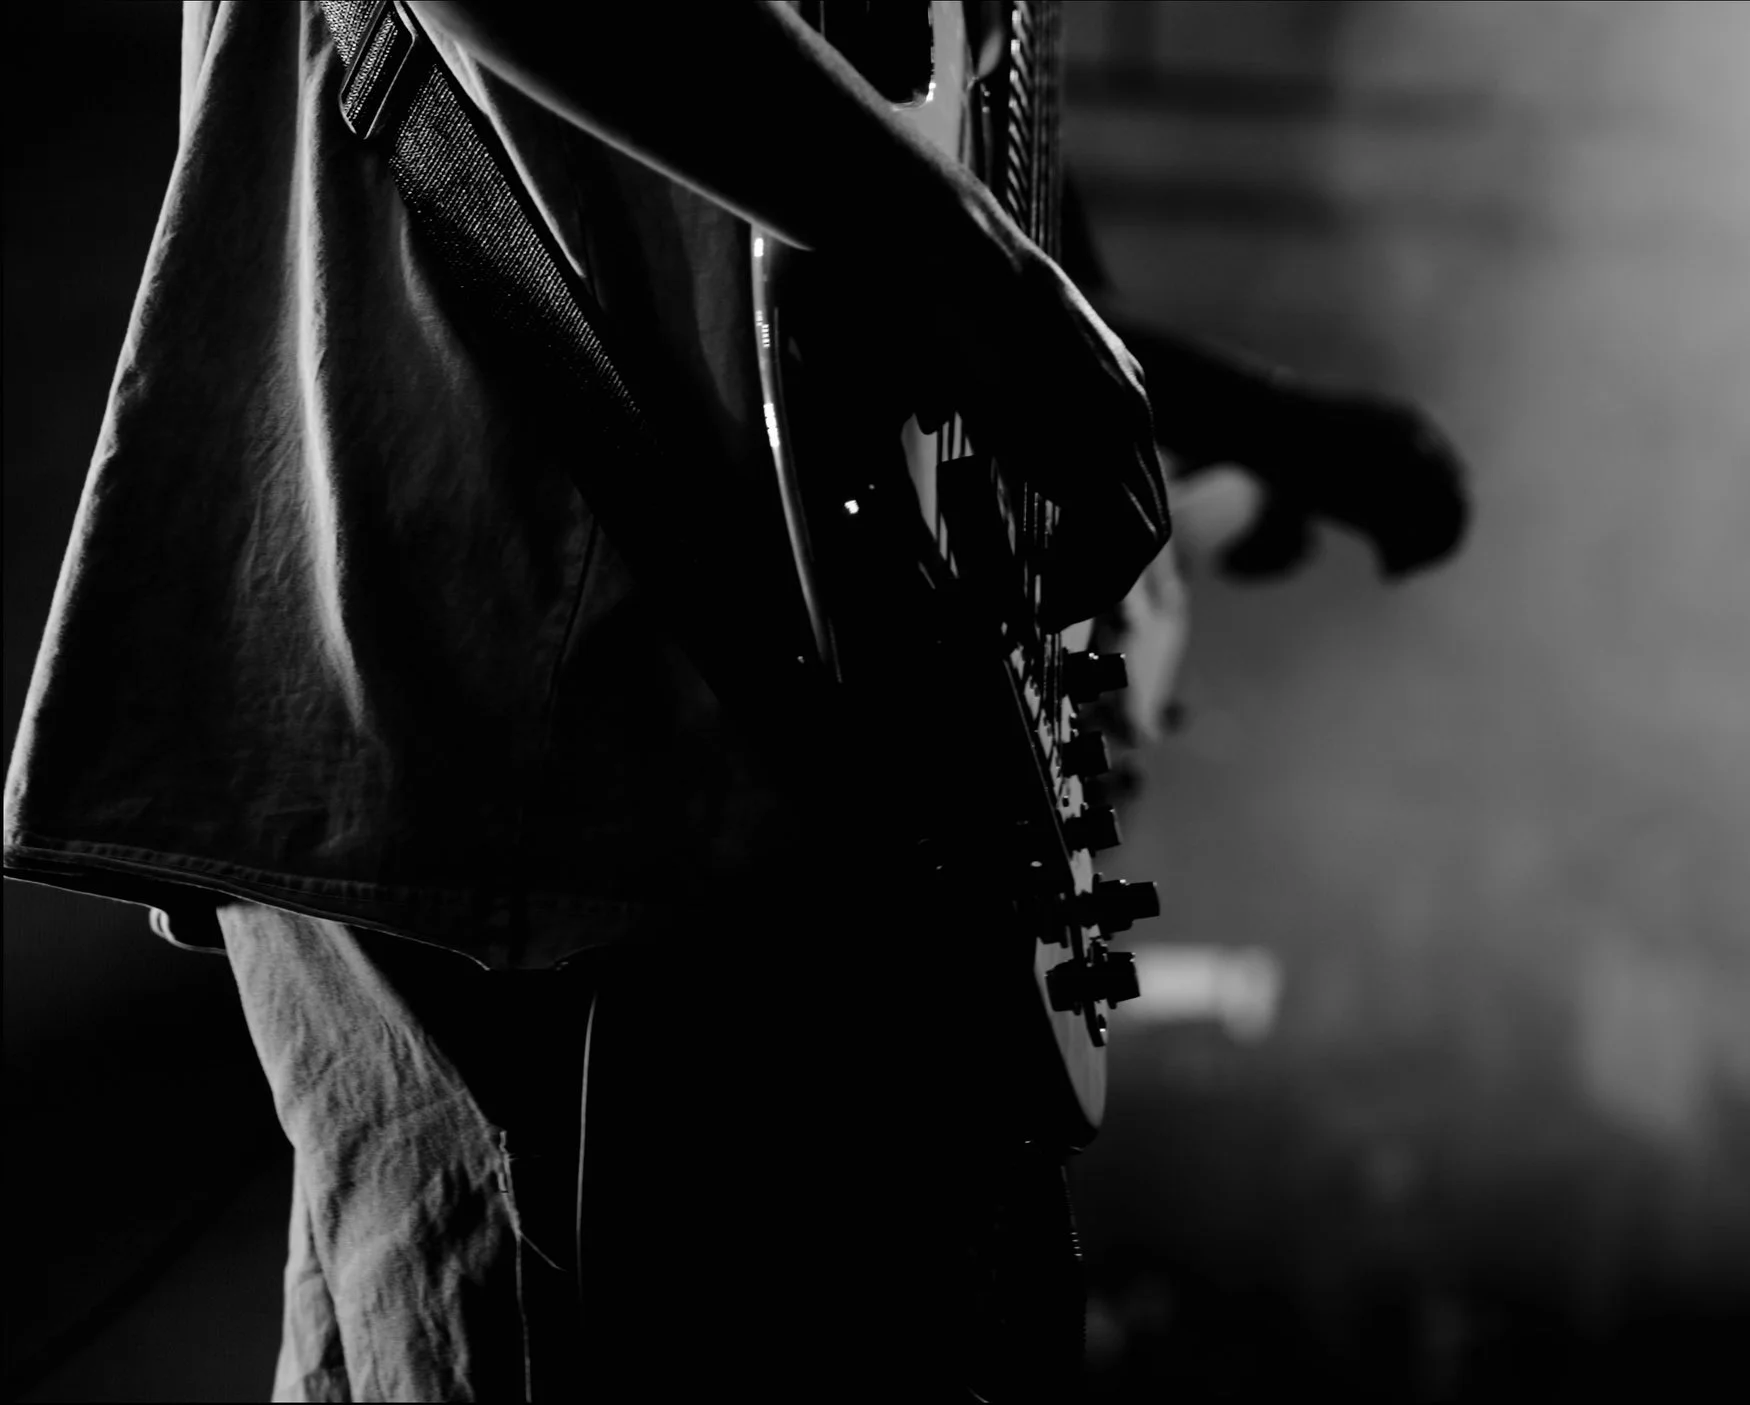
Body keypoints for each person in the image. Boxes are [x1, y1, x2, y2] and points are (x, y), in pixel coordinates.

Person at [4, 4, 1468, 1400]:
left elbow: (846, 204)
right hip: (546, 709)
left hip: (642, 748)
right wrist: (967, 261)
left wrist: (1040, 316)